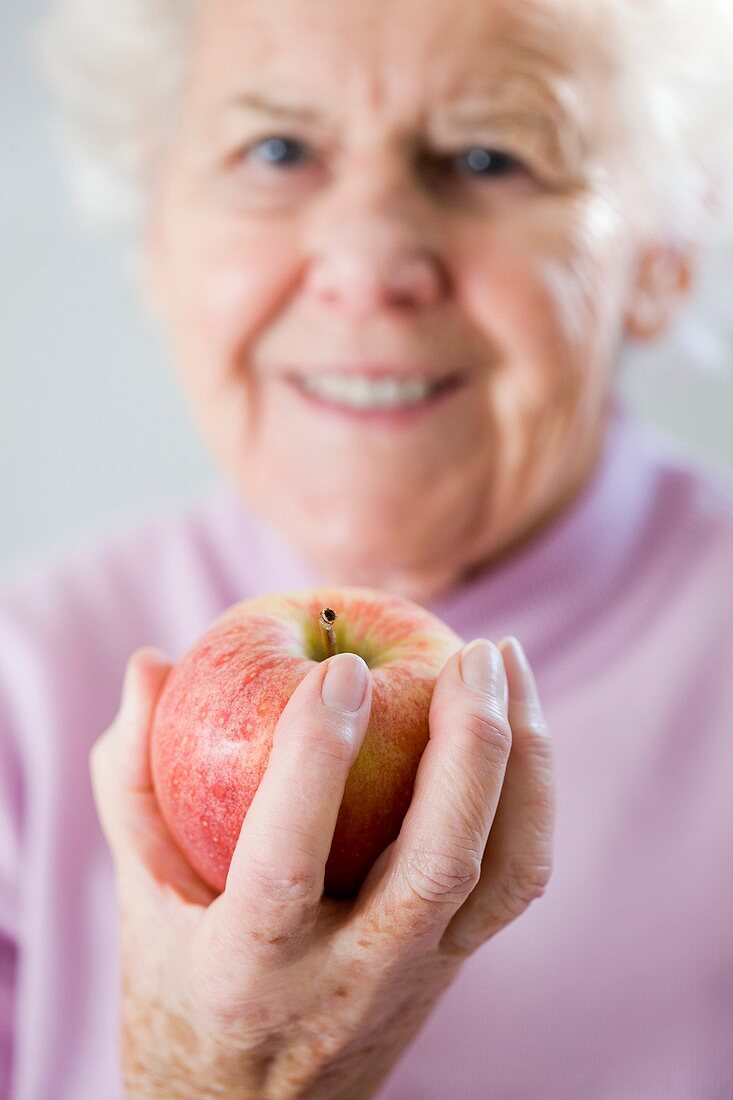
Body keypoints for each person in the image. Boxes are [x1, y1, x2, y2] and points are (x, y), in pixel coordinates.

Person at [2, 0, 733, 1096]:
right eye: (278, 150)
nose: (369, 259)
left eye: (489, 158)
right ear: (160, 229)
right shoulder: (20, 680)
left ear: (666, 249)